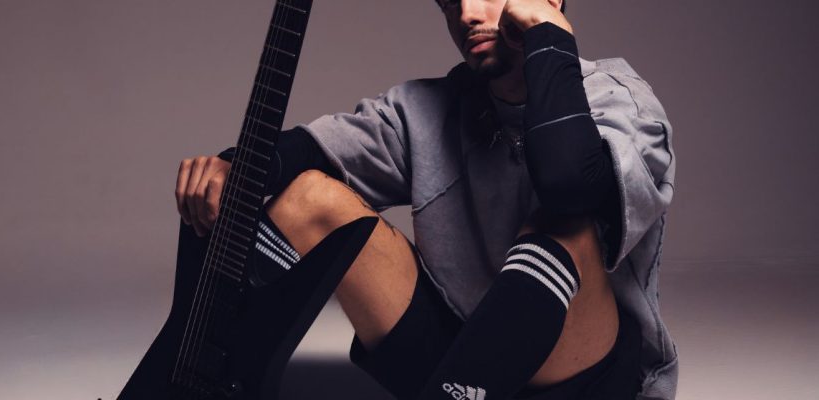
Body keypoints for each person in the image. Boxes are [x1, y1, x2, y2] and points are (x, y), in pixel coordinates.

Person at [174, 0, 677, 399]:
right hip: (450, 366)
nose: (467, 14)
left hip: (577, 382)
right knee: (308, 195)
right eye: (451, 1)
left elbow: (568, 182)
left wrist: (550, 35)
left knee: (566, 226)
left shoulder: (620, 98)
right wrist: (232, 165)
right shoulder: (428, 107)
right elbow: (311, 150)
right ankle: (210, 378)